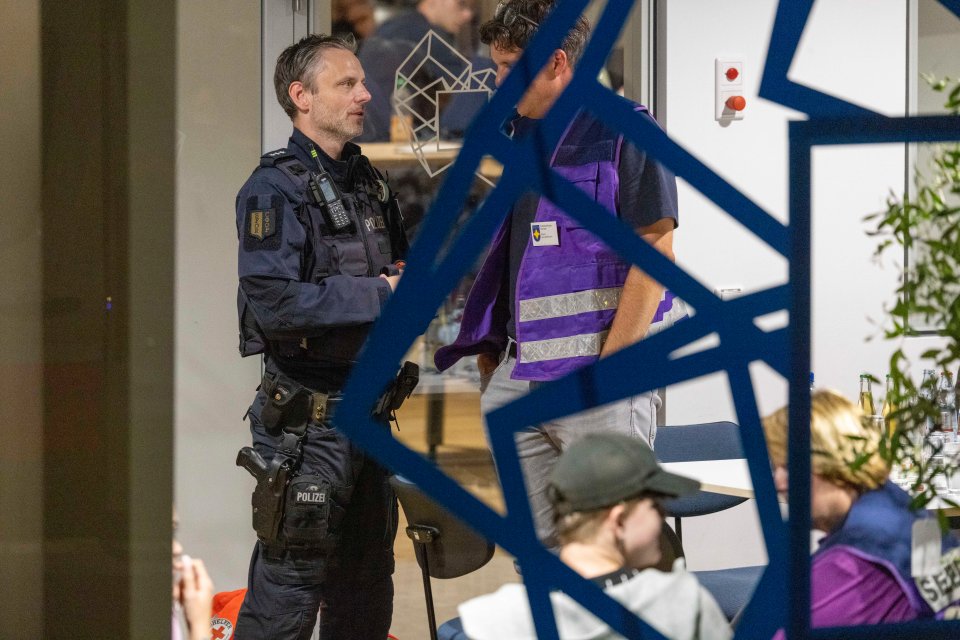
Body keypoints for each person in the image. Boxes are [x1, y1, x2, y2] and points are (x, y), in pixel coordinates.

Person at [434, 0, 680, 548]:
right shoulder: (522, 135)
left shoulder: (627, 132)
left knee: (620, 555)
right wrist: (491, 355)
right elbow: (518, 253)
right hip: (519, 377)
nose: (496, 81)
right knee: (539, 554)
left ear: (557, 63)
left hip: (597, 384)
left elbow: (655, 255)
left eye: (507, 67)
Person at [234, 33, 409, 640]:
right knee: (289, 588)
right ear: (300, 96)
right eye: (347, 84)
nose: (365, 94)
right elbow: (277, 304)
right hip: (307, 427)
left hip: (369, 415)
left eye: (362, 82)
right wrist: (381, 294)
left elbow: (400, 276)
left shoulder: (368, 184)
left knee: (366, 588)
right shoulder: (273, 189)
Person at [456, 432, 731, 639]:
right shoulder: (681, 606)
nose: (661, 517)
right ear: (619, 520)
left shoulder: (492, 620)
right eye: (654, 507)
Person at [763, 389, 960, 625]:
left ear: (837, 461)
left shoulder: (852, 564)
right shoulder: (901, 508)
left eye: (791, 466)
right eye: (777, 467)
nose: (779, 483)